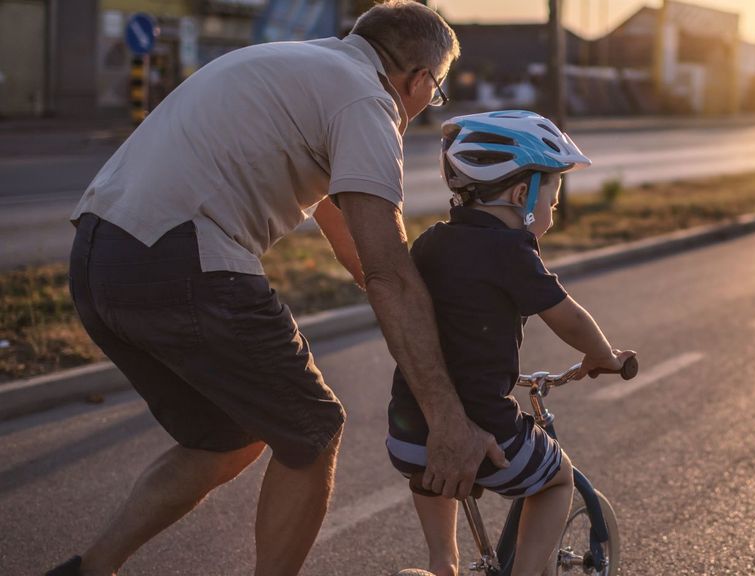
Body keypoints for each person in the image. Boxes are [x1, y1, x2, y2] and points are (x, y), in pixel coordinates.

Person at [47, 3, 508, 575]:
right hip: (182, 259)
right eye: (434, 92)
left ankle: (88, 570)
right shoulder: (369, 101)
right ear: (418, 80)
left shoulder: (300, 65)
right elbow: (390, 273)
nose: (423, 105)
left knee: (226, 437)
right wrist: (446, 417)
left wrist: (417, 315)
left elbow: (362, 252)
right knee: (313, 430)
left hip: (97, 258)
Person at [386, 110, 636, 576]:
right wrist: (602, 355)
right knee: (556, 480)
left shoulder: (429, 243)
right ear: (523, 195)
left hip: (406, 428)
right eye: (552, 205)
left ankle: (442, 563)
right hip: (486, 427)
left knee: (428, 476)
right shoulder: (512, 251)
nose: (551, 217)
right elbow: (570, 318)